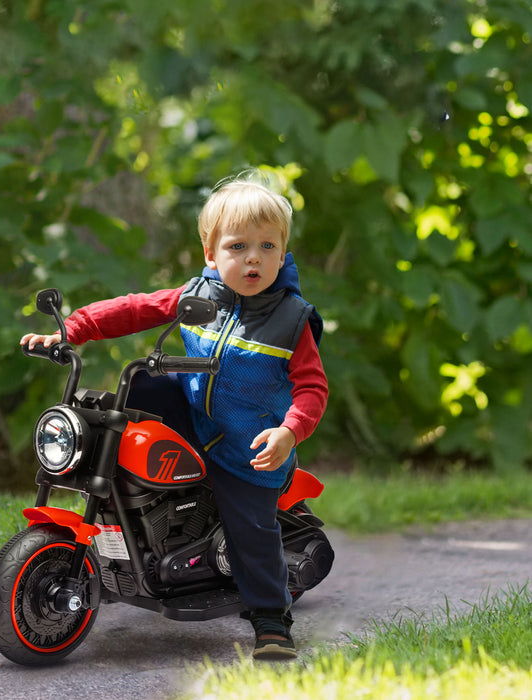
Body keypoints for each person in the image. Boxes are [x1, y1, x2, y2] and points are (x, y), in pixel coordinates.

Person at [21, 174, 328, 661]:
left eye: (268, 246)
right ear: (211, 251)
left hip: (246, 445)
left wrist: (289, 431)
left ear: (283, 250)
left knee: (250, 525)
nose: (254, 257)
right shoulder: (198, 295)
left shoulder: (290, 318)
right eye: (239, 245)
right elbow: (135, 309)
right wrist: (73, 329)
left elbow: (312, 388)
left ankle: (272, 620)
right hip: (192, 421)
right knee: (137, 386)